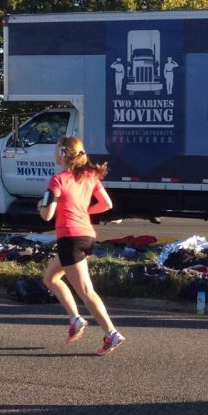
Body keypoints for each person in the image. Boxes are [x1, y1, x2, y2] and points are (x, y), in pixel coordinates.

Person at [39, 135, 127, 355]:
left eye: (55, 148)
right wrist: (84, 212)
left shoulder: (57, 180)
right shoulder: (89, 176)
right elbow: (106, 204)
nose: (53, 152)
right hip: (86, 236)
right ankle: (76, 319)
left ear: (62, 152)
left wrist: (41, 204)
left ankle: (112, 333)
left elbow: (47, 215)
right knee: (50, 278)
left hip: (70, 238)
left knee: (87, 291)